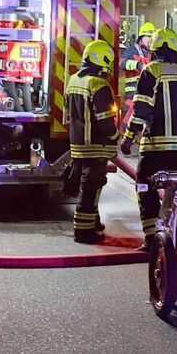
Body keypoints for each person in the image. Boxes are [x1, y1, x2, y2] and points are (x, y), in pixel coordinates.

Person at [120, 28, 177, 251]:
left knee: (145, 187)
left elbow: (141, 109)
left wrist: (128, 138)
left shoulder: (151, 71)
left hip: (155, 146)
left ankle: (151, 237)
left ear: (155, 49)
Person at [62, 40, 119, 244]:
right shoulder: (99, 84)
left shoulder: (74, 80)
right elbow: (104, 119)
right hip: (96, 145)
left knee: (88, 187)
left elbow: (68, 114)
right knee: (91, 189)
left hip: (78, 145)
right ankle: (84, 233)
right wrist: (115, 137)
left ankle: (93, 223)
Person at [119, 22, 155, 130]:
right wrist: (138, 65)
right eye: (148, 37)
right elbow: (121, 63)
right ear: (141, 38)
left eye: (152, 37)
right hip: (131, 97)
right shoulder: (131, 51)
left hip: (148, 97)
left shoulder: (152, 54)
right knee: (127, 126)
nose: (150, 40)